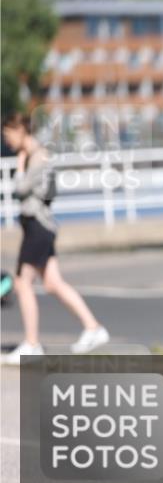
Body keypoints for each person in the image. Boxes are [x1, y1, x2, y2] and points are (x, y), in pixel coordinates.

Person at [1, 113, 109, 364]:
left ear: (20, 131)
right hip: (40, 226)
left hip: (38, 226)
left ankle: (31, 343)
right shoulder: (38, 155)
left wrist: (19, 165)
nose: (7, 142)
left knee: (21, 283)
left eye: (8, 136)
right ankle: (93, 328)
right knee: (52, 283)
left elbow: (21, 189)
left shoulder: (37, 156)